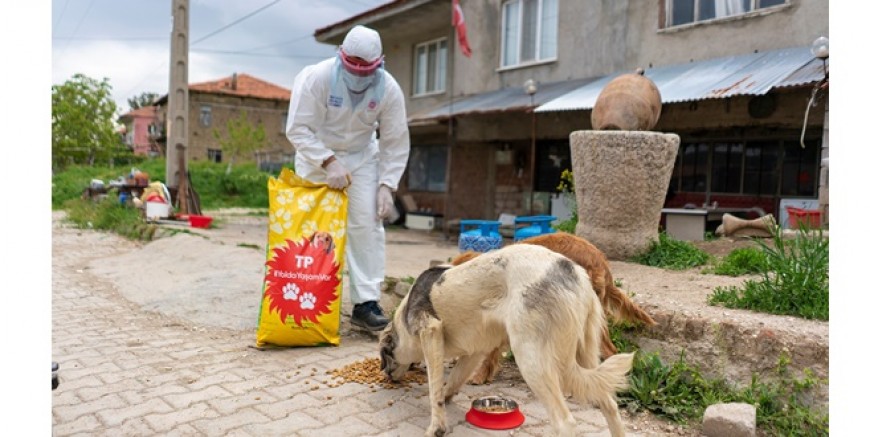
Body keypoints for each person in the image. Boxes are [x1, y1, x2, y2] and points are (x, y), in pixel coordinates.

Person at [285, 25, 410, 333]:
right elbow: (298, 129)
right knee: (313, 226)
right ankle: (307, 293)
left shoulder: (389, 89)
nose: (357, 74)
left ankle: (365, 303)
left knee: (366, 224)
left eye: (365, 68)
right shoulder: (318, 77)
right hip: (317, 155)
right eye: (352, 64)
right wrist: (327, 161)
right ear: (341, 55)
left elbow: (395, 141)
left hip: (362, 157)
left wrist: (387, 185)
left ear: (378, 63)